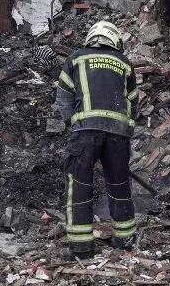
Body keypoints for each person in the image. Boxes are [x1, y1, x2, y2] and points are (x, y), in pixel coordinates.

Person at [53, 20, 138, 259]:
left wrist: (73, 123)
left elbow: (63, 97)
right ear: (114, 40)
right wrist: (126, 130)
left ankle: (81, 247)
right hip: (118, 134)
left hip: (85, 132)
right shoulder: (124, 63)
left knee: (79, 185)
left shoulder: (76, 58)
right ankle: (125, 240)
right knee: (119, 185)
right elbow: (133, 102)